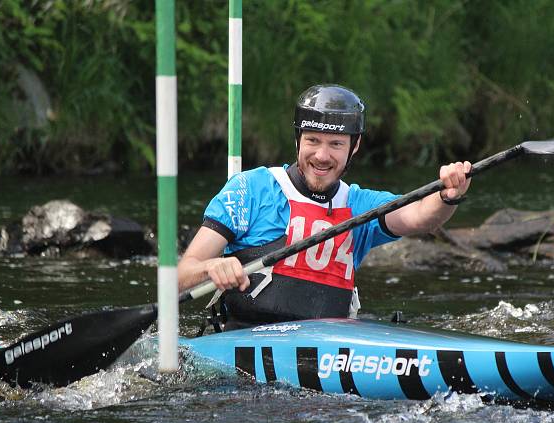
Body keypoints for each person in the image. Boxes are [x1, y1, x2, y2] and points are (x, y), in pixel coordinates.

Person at [177, 84, 471, 330]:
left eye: (335, 144)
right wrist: (211, 267)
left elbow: (420, 216)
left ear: (354, 147)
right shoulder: (251, 190)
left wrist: (449, 194)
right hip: (243, 340)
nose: (321, 155)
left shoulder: (359, 205)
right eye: (313, 141)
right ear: (298, 140)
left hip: (327, 350)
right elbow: (179, 276)